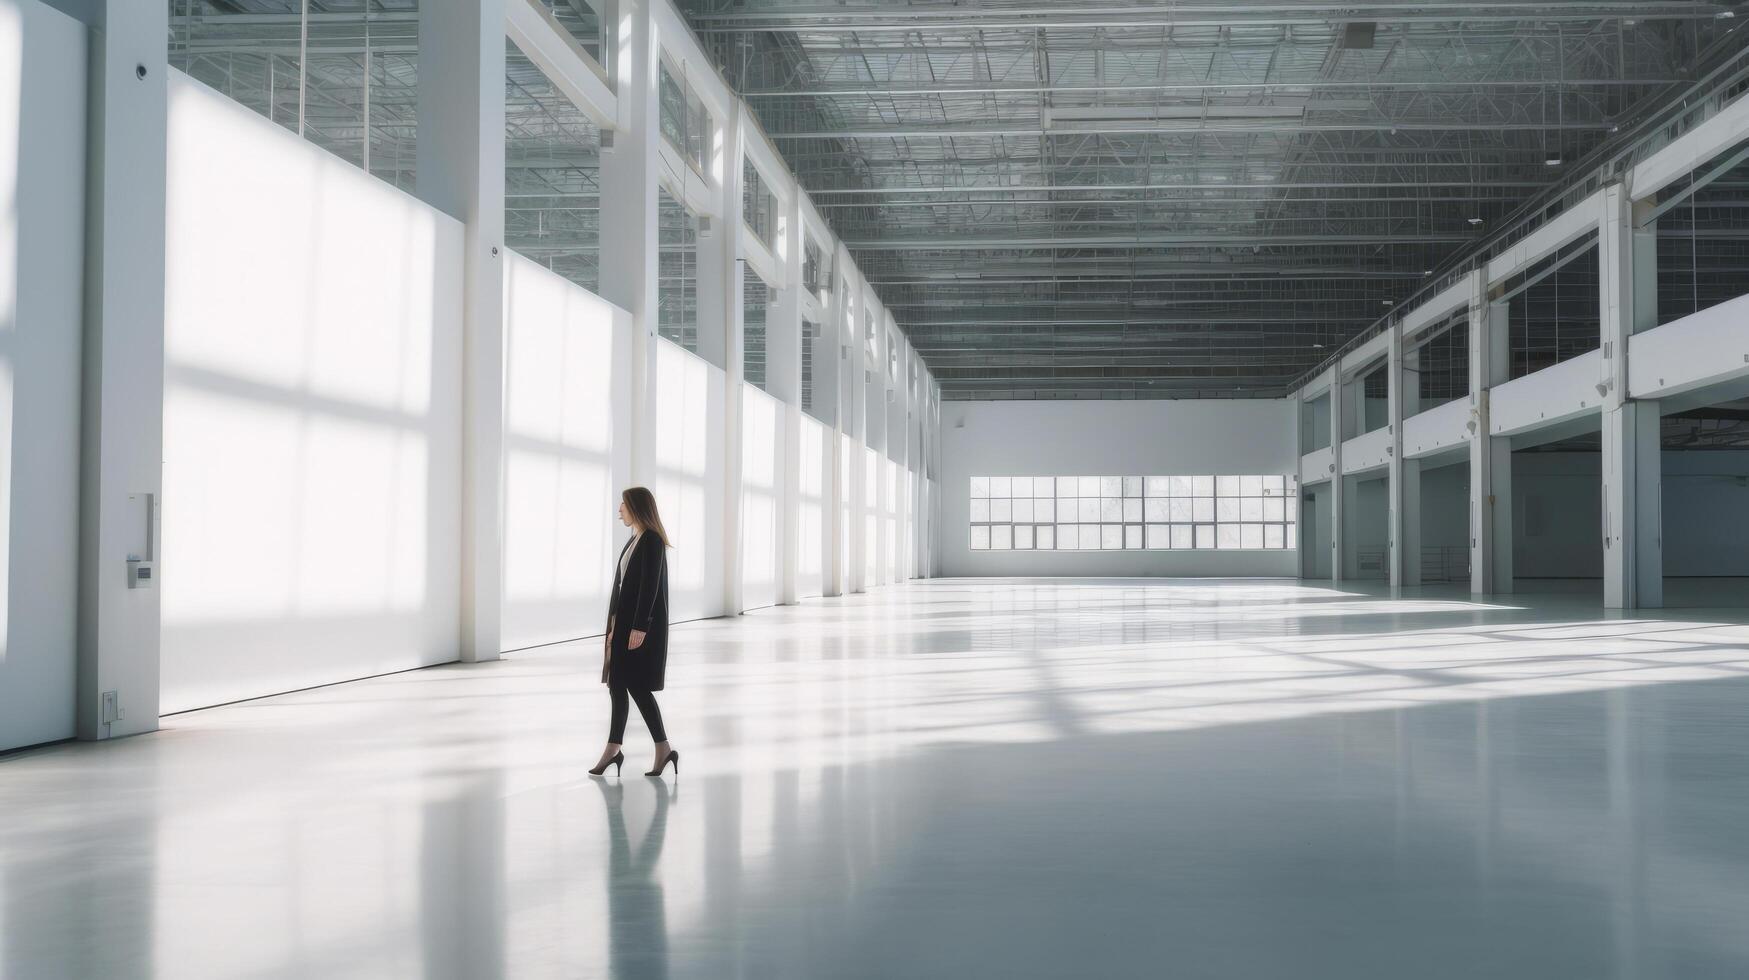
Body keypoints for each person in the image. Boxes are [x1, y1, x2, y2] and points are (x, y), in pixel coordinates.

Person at [591, 487, 679, 778]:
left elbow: (650, 586)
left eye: (624, 505)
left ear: (637, 508)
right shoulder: (636, 539)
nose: (619, 510)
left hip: (637, 628)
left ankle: (657, 748)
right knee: (617, 683)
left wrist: (640, 626)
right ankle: (617, 748)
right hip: (623, 625)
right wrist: (614, 628)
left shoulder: (651, 540)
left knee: (636, 686)